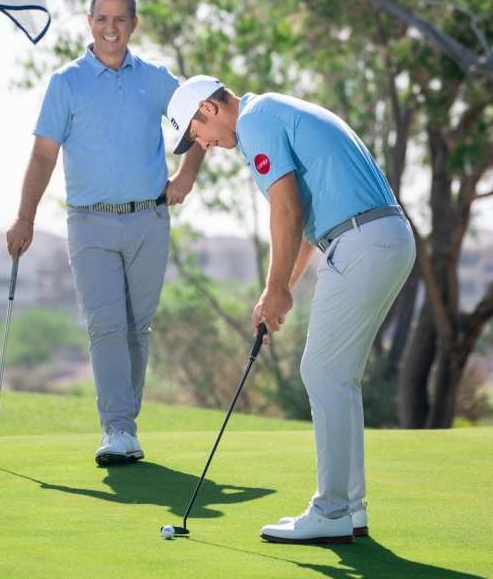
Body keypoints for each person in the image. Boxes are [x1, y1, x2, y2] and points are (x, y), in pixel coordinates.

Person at [166, 76, 416, 544]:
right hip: (381, 238)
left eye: (196, 135)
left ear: (207, 109)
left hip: (362, 240)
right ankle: (350, 509)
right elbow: (301, 222)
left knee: (322, 372)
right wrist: (277, 292)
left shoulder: (257, 121)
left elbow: (286, 211)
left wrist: (276, 288)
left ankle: (332, 510)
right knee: (336, 376)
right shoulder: (272, 112)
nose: (204, 145)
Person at [6, 0, 205, 466]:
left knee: (138, 328)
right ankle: (118, 427)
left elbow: (202, 121)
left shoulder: (155, 79)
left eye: (120, 19)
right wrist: (24, 217)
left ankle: (124, 427)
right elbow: (42, 155)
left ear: (133, 25)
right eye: (102, 18)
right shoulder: (66, 83)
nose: (110, 28)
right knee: (106, 326)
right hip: (90, 224)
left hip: (149, 222)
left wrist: (186, 175)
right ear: (89, 22)